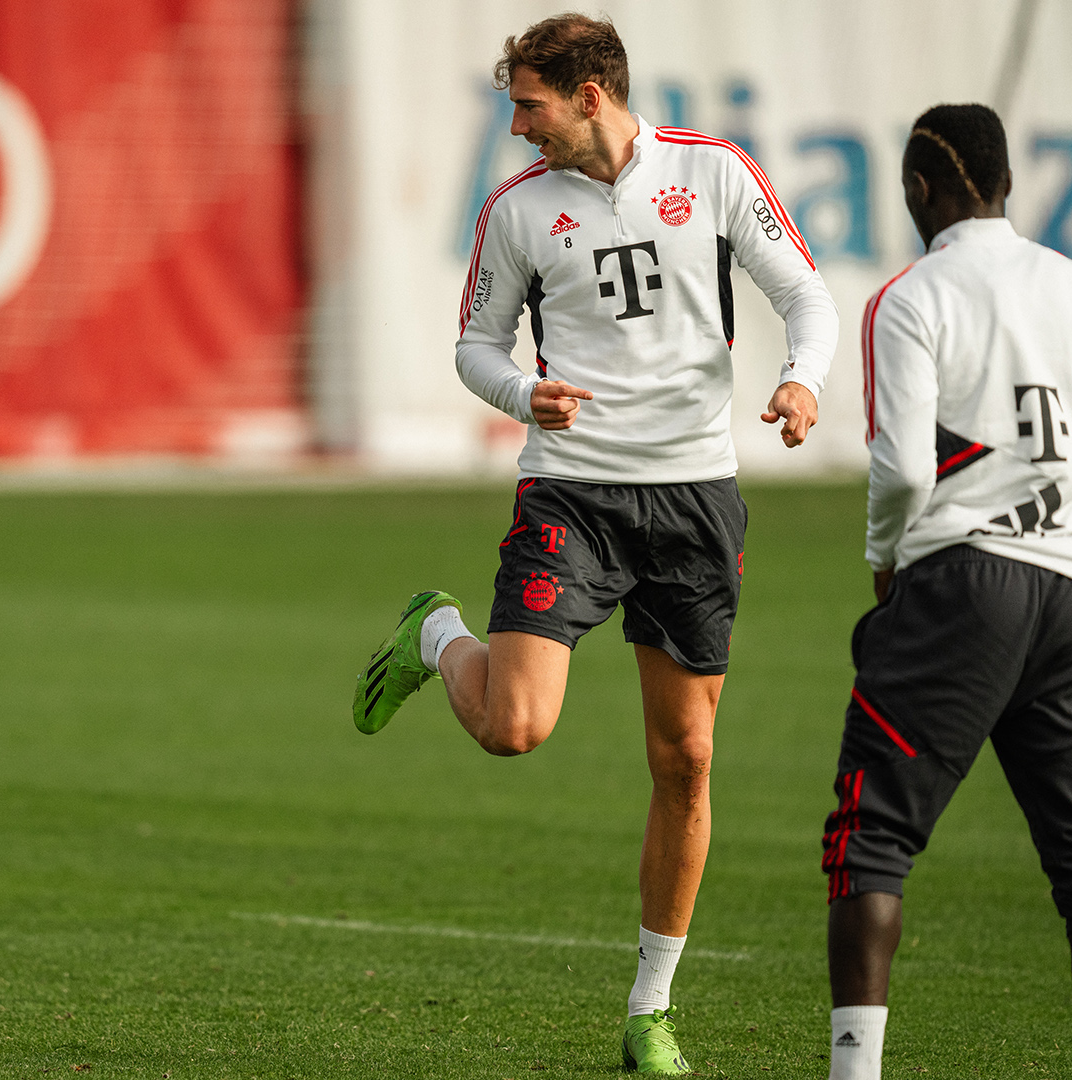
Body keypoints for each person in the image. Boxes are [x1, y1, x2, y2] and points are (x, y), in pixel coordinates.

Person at [351, 13, 838, 1075]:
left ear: (590, 93)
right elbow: (474, 348)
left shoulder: (711, 175)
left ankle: (649, 1009)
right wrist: (528, 392)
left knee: (688, 757)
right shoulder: (518, 212)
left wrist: (805, 378)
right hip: (571, 496)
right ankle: (436, 635)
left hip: (697, 500)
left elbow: (805, 292)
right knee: (516, 729)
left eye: (529, 103)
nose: (517, 125)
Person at [822, 104, 1072, 1080]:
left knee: (873, 839)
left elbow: (902, 470)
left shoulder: (911, 298)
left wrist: (885, 557)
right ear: (1007, 185)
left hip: (959, 585)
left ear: (915, 192)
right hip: (1071, 602)